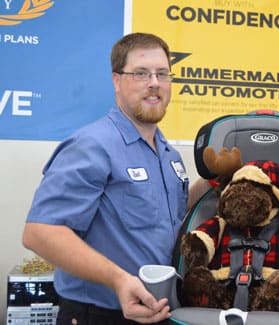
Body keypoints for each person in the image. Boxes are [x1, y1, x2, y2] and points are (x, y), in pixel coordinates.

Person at [22, 32, 190, 324]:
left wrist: (215, 184)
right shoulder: (92, 146)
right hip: (99, 315)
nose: (154, 83)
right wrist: (118, 280)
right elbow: (40, 232)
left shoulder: (169, 155)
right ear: (116, 80)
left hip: (160, 311)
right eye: (140, 73)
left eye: (162, 74)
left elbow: (165, 221)